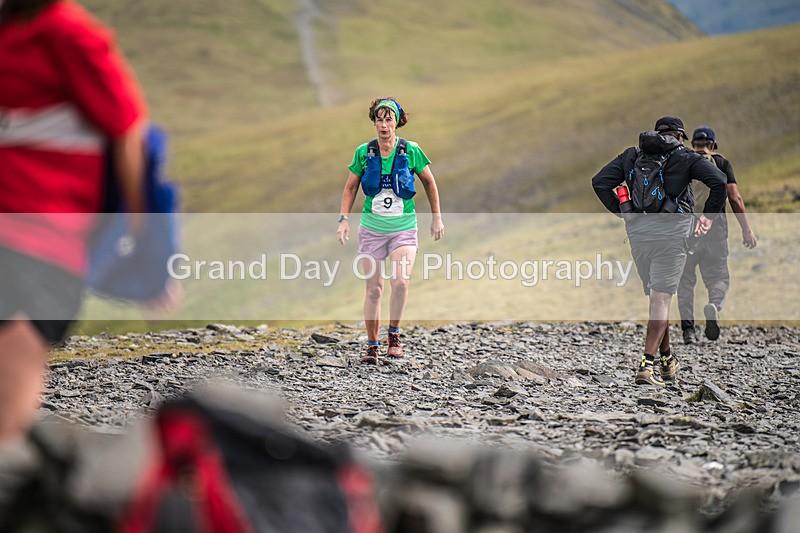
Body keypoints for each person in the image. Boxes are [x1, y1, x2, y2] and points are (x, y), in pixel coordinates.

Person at [0, 0, 148, 442]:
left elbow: (127, 127)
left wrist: (142, 233)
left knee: (19, 342)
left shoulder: (66, 32)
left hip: (42, 233)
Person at [592, 116, 727, 387]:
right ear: (679, 135)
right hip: (672, 237)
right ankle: (646, 365)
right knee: (661, 300)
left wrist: (623, 213)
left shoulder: (632, 155)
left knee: (656, 298)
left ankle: (667, 361)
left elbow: (599, 182)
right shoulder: (686, 157)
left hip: (639, 236)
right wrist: (709, 217)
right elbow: (720, 182)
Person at [337, 97, 444, 365]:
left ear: (397, 122)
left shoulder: (412, 150)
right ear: (374, 121)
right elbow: (350, 188)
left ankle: (393, 335)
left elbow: (430, 184)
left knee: (400, 282)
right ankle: (372, 345)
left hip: (403, 229)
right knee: (374, 290)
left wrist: (436, 219)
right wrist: (343, 219)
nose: (383, 125)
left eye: (388, 120)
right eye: (379, 120)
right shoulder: (364, 152)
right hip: (372, 230)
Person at [678, 126, 757, 344]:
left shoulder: (683, 161)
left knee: (685, 281)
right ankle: (714, 304)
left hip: (687, 229)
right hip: (715, 229)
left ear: (692, 144)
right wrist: (746, 229)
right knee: (719, 277)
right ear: (712, 145)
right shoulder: (721, 163)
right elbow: (735, 198)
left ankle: (688, 331)